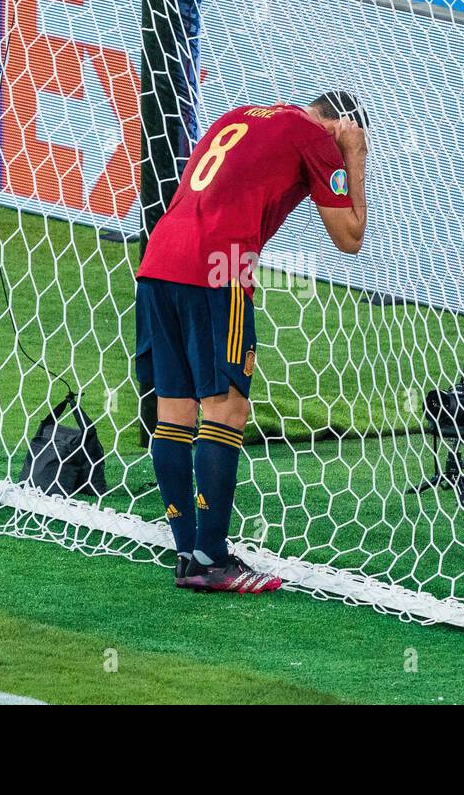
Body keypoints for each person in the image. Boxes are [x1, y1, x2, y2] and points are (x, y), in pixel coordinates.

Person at [135, 92, 369, 594]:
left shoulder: (242, 114)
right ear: (340, 122)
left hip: (158, 260)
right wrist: (355, 154)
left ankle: (189, 554)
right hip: (219, 268)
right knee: (226, 409)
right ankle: (214, 559)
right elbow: (350, 237)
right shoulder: (318, 139)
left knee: (174, 410)